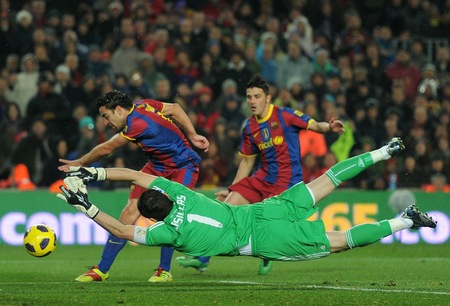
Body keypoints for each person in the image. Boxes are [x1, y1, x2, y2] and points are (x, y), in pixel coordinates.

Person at [57, 137, 436, 274]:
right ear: (168, 195)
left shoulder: (166, 231)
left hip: (264, 238)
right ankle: (385, 150)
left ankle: (404, 221)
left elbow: (123, 230)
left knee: (342, 240)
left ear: (150, 215)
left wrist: (85, 207)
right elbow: (135, 175)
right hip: (266, 209)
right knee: (328, 180)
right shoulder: (182, 193)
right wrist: (93, 173)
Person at [178, 74, 345, 275]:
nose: (252, 101)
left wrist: (330, 127)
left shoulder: (285, 115)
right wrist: (233, 189)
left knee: (270, 225)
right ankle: (203, 258)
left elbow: (316, 125)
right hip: (262, 178)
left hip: (287, 182)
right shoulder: (250, 126)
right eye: (249, 97)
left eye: (257, 96)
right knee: (226, 208)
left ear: (267, 97)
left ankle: (268, 255)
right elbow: (247, 161)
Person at [58, 90, 209, 283]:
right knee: (130, 211)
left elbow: (106, 148)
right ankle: (101, 270)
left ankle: (164, 270)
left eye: (106, 116)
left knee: (172, 215)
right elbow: (175, 109)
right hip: (157, 166)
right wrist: (193, 135)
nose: (105, 122)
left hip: (183, 166)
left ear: (119, 110)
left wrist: (80, 162)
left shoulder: (137, 123)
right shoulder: (142, 105)